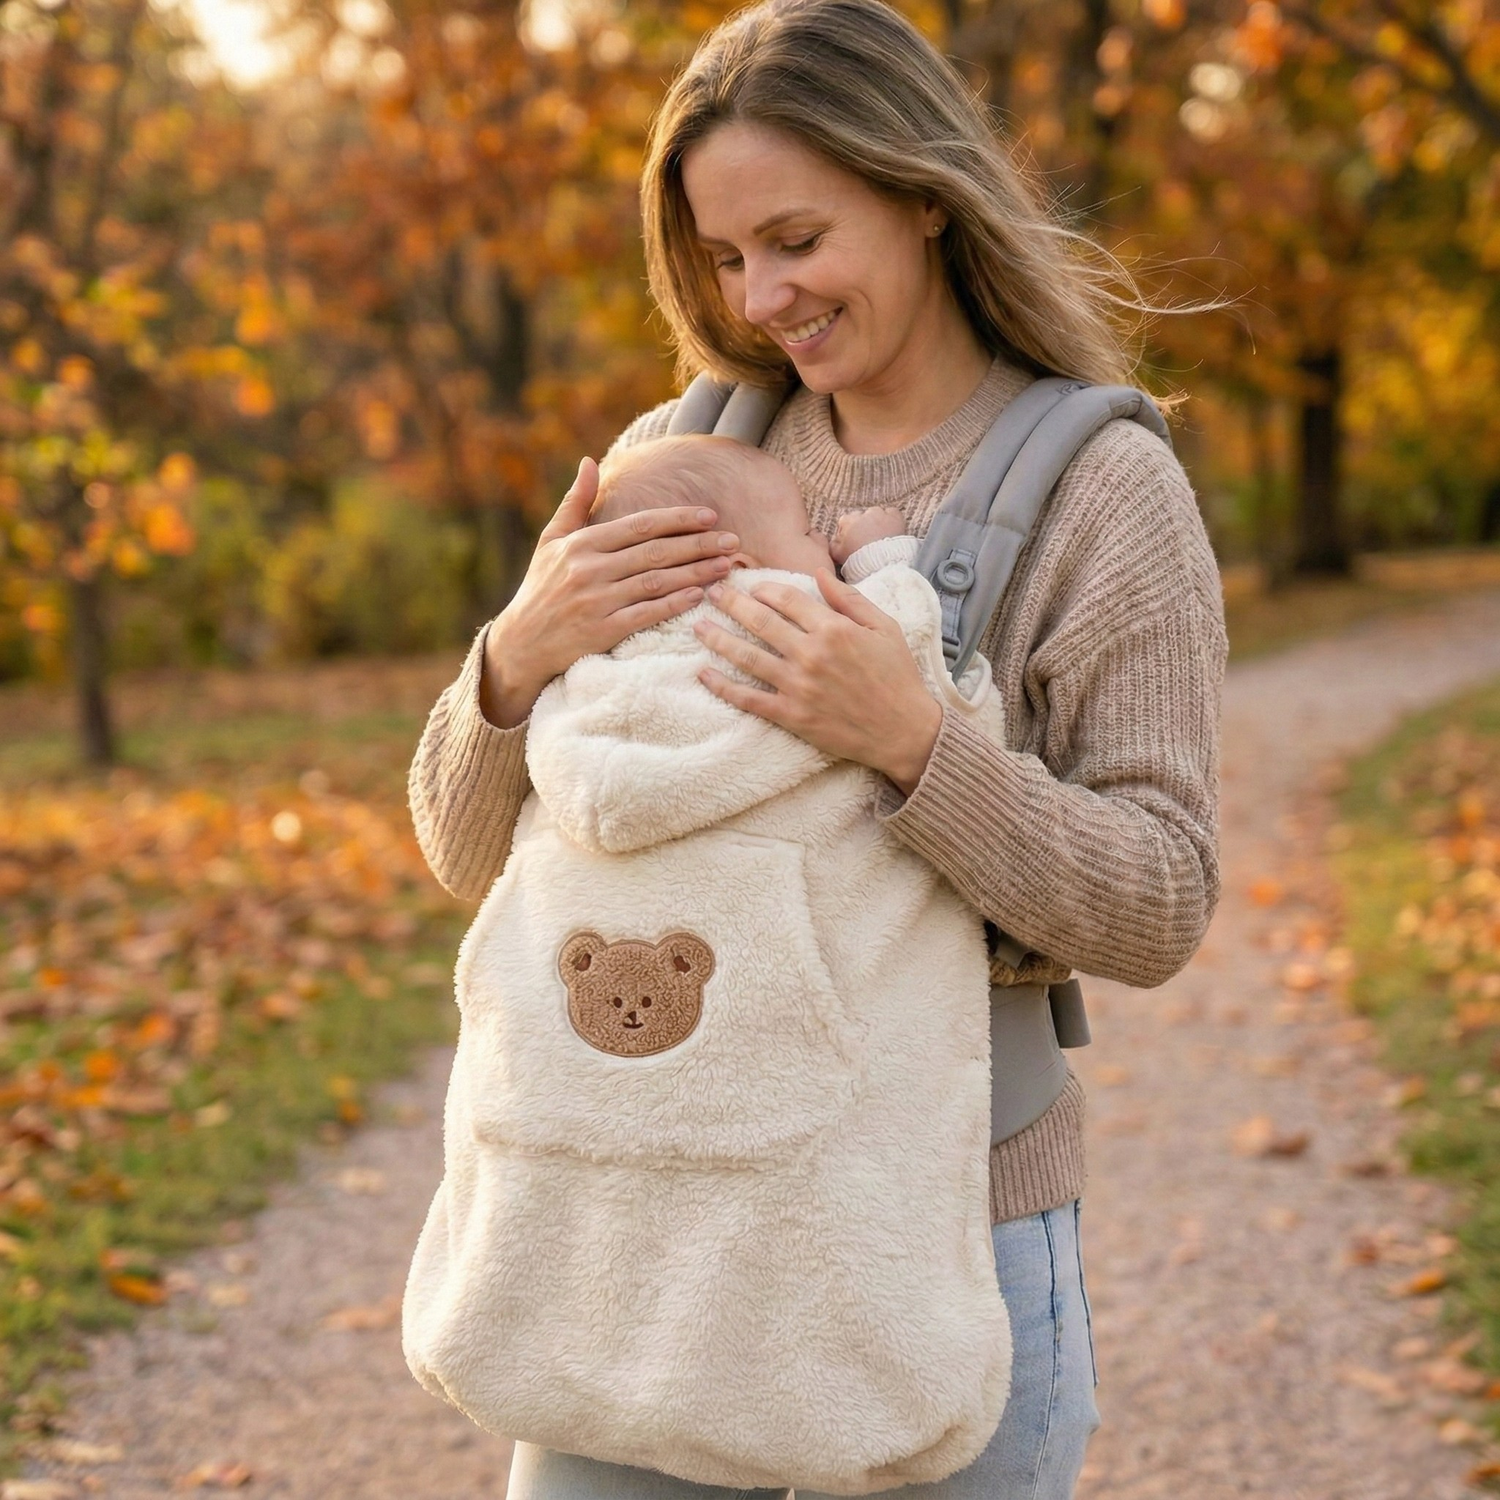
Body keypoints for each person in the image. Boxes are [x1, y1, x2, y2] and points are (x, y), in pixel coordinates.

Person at [406, 0, 1228, 1494]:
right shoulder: (684, 456)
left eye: (795, 238)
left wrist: (913, 742)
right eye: (726, 256)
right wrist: (516, 660)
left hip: (935, 1230)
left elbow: (1160, 900)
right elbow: (471, 856)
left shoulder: (1105, 493)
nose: (762, 296)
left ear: (924, 194)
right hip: (643, 1233)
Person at [402, 431, 1013, 1491]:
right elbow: (929, 669)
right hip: (806, 1239)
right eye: (806, 533)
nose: (823, 537)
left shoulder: (587, 693)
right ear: (746, 574)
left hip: (627, 1240)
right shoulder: (805, 641)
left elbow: (1154, 905)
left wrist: (541, 661)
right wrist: (881, 560)